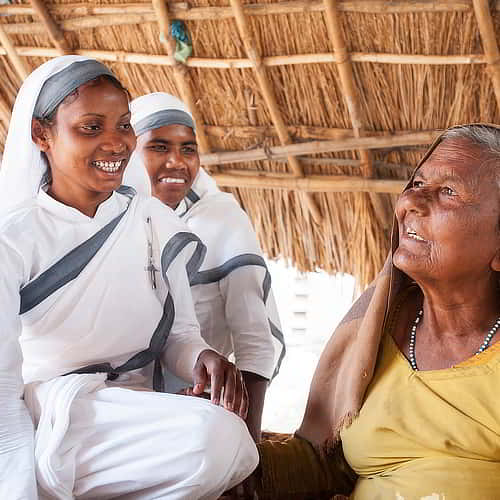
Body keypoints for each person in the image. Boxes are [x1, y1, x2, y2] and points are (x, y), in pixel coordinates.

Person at [0, 55, 258, 500]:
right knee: (211, 437)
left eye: (124, 125)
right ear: (41, 135)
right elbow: (3, 386)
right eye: (91, 127)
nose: (116, 143)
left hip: (139, 409)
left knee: (226, 441)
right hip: (58, 412)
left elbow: (180, 334)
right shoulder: (14, 237)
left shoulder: (150, 220)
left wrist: (202, 358)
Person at [242, 124, 500, 499]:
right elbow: (320, 461)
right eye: (417, 184)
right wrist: (232, 466)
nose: (412, 202)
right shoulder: (378, 319)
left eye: (447, 192)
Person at [124, 92, 285, 442]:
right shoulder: (112, 219)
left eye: (188, 149)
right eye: (159, 147)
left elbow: (254, 340)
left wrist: (249, 446)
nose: (176, 162)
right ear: (128, 151)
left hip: (191, 410)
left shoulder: (221, 219)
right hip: (121, 405)